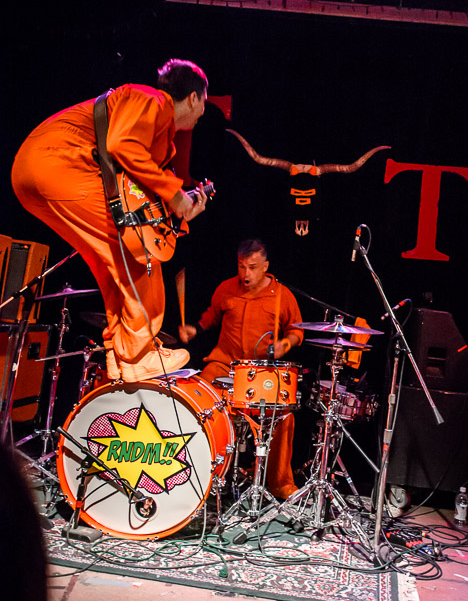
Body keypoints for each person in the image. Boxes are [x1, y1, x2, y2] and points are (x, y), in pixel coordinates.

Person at [11, 59, 208, 382]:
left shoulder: (159, 132)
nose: (202, 114)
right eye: (203, 104)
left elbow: (136, 186)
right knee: (140, 255)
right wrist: (175, 196)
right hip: (62, 162)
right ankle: (139, 354)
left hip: (32, 170)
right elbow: (121, 145)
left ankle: (120, 352)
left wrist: (179, 206)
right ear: (193, 97)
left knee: (112, 261)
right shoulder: (153, 100)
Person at [179, 239, 304, 499]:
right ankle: (198, 471)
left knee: (283, 415)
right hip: (224, 362)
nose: (246, 274)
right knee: (197, 400)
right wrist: (195, 329)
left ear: (265, 267)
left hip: (261, 370)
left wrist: (285, 344)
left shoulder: (281, 295)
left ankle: (280, 483)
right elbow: (211, 316)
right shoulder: (226, 288)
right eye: (241, 266)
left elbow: (296, 330)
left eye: (252, 268)